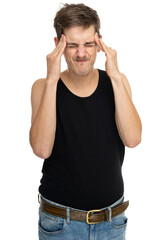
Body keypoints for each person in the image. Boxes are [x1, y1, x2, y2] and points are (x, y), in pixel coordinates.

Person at [29, 3, 142, 240]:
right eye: (72, 45)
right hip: (59, 223)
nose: (81, 53)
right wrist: (52, 80)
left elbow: (133, 139)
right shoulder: (42, 87)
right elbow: (41, 148)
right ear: (58, 45)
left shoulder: (118, 82)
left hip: (112, 222)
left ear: (99, 42)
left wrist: (116, 76)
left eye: (88, 44)